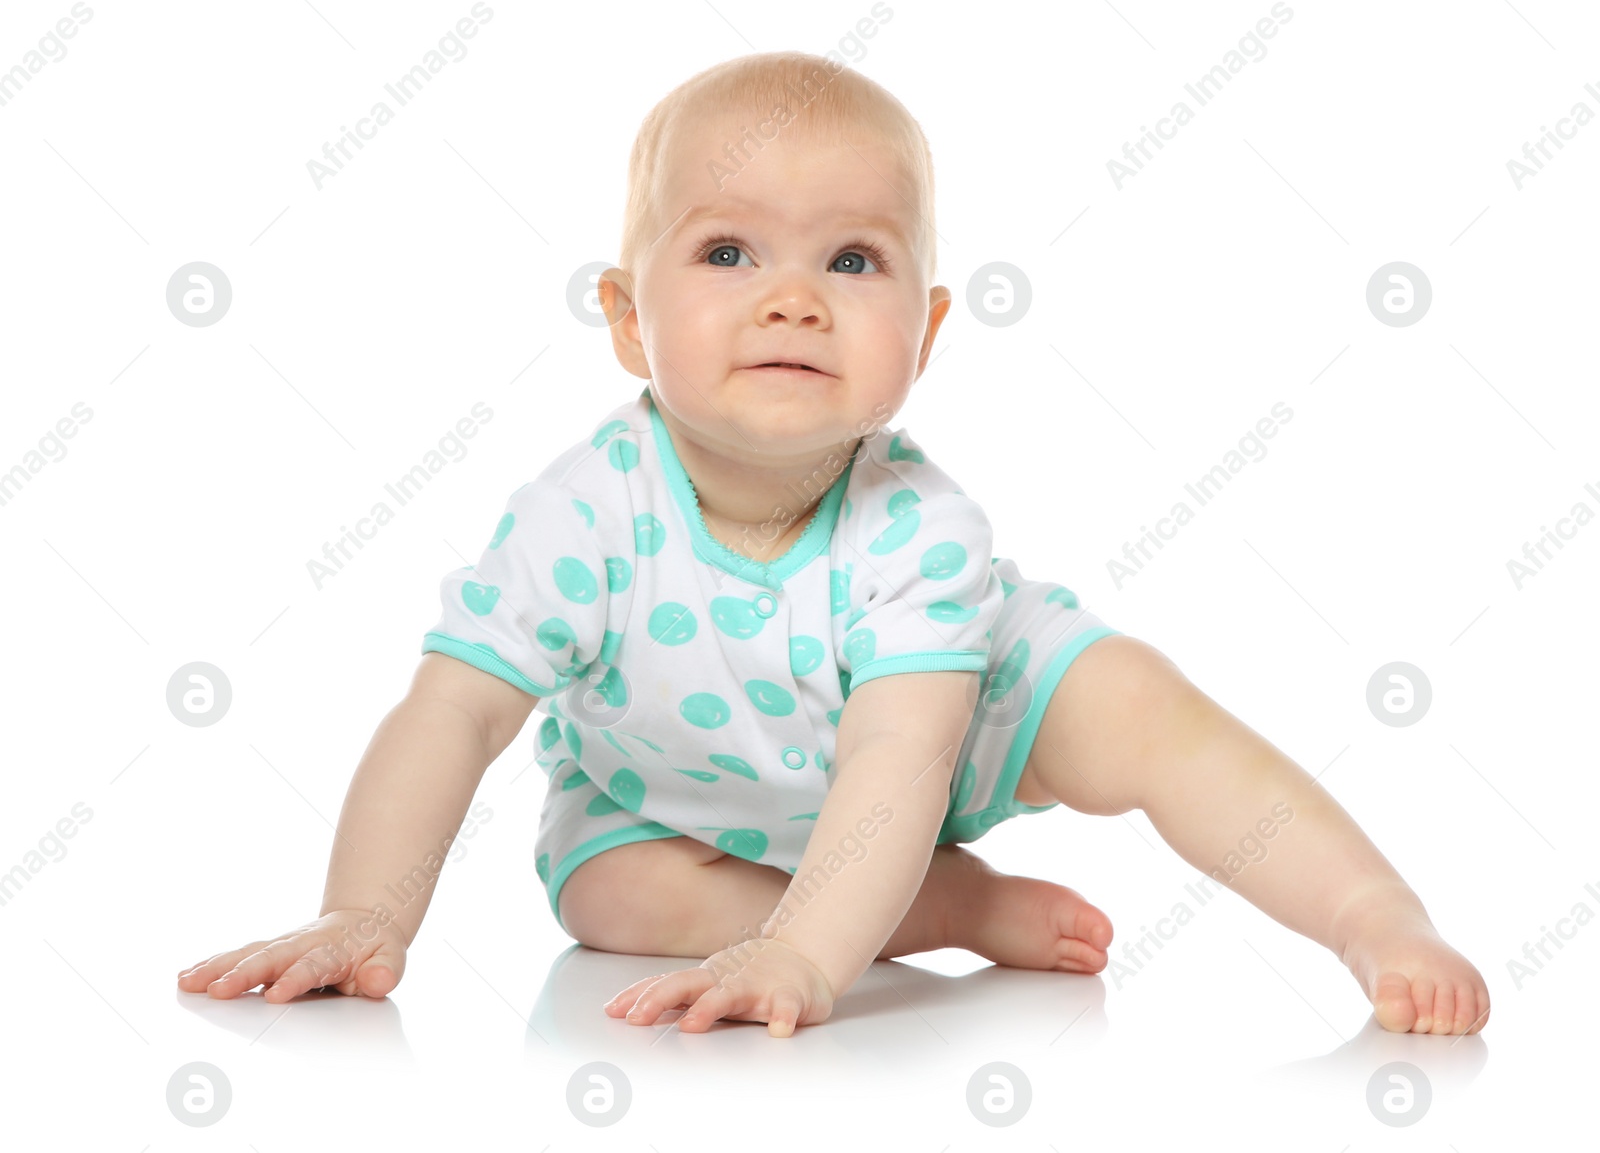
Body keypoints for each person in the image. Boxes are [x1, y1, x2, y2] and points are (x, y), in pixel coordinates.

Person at [178, 51, 1489, 1040]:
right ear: (630, 321)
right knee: (610, 902)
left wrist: (806, 963)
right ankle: (955, 911)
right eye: (730, 250)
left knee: (1142, 705)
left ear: (922, 336)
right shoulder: (581, 513)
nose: (793, 297)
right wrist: (368, 913)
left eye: (852, 262)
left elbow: (899, 760)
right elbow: (452, 715)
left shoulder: (921, 534)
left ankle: (1371, 911)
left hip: (945, 723)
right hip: (684, 796)